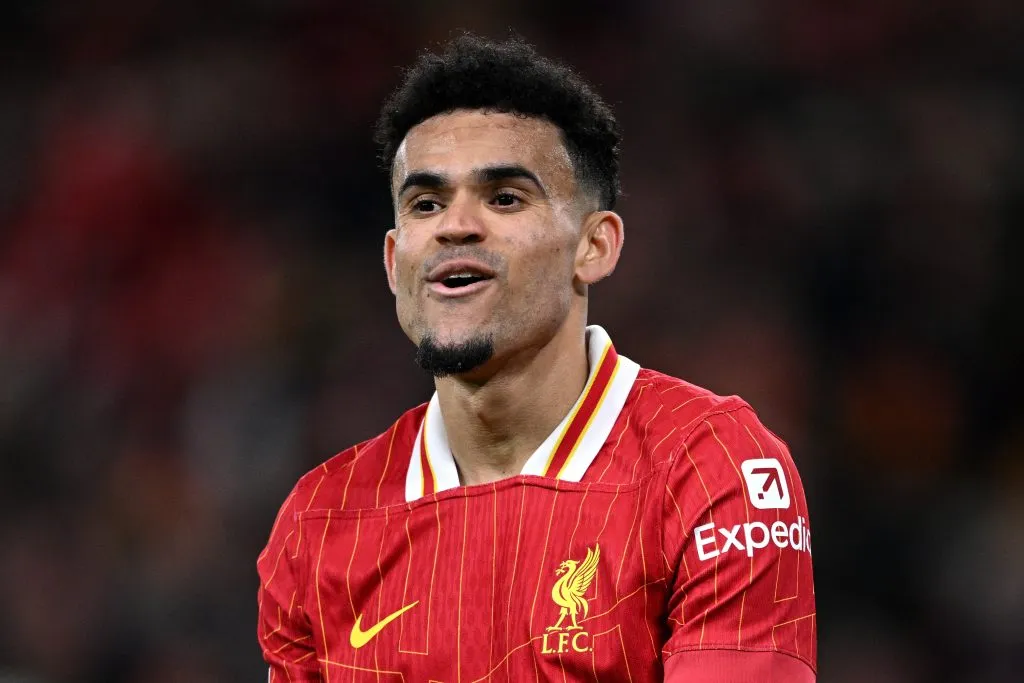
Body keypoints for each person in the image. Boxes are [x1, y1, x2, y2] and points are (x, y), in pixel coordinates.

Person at [257, 33, 816, 682]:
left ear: (594, 246)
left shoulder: (713, 468)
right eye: (426, 202)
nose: (455, 225)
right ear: (392, 261)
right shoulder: (321, 520)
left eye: (504, 197)